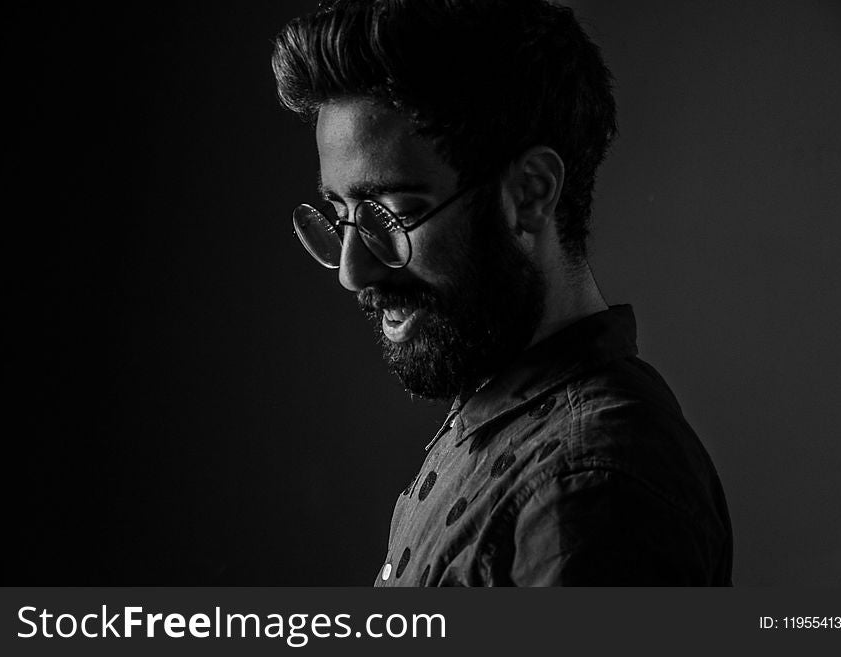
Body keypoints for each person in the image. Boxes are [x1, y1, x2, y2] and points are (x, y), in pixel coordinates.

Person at [272, 0, 733, 586]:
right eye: (340, 216)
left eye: (390, 216)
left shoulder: (590, 488)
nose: (351, 272)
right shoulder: (497, 416)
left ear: (531, 194)